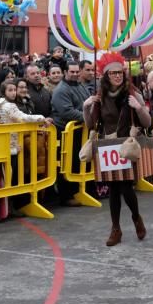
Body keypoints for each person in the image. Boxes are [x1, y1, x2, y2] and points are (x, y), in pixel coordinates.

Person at [82, 53, 152, 246]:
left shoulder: (132, 93)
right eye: (113, 73)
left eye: (120, 72)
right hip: (107, 145)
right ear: (106, 76)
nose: (117, 76)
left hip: (126, 144)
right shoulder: (100, 96)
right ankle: (115, 228)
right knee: (113, 188)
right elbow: (91, 125)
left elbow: (147, 122)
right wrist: (86, 108)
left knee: (125, 186)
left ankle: (136, 217)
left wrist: (139, 108)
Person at [52, 61, 90, 207]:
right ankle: (66, 196)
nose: (74, 74)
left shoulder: (80, 86)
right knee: (67, 165)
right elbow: (67, 111)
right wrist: (87, 117)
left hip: (80, 132)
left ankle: (78, 191)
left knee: (78, 163)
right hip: (65, 132)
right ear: (65, 72)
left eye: (76, 72)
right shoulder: (61, 90)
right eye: (71, 72)